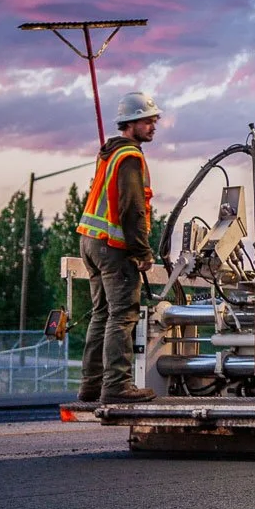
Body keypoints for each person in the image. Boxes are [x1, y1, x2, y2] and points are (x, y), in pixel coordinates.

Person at [74, 91, 163, 405]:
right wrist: (142, 252)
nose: (153, 126)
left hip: (90, 241)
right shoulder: (129, 157)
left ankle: (91, 385)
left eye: (154, 120)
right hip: (113, 246)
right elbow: (132, 208)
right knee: (122, 316)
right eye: (147, 120)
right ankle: (116, 386)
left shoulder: (109, 153)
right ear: (130, 123)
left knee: (102, 315)